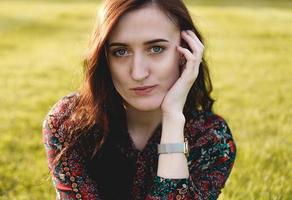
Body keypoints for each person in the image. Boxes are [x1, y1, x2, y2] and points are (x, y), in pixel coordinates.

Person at [42, 0, 237, 199]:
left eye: (156, 49)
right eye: (121, 52)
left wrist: (172, 119)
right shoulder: (69, 122)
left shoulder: (211, 139)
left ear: (185, 52)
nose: (138, 73)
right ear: (104, 59)